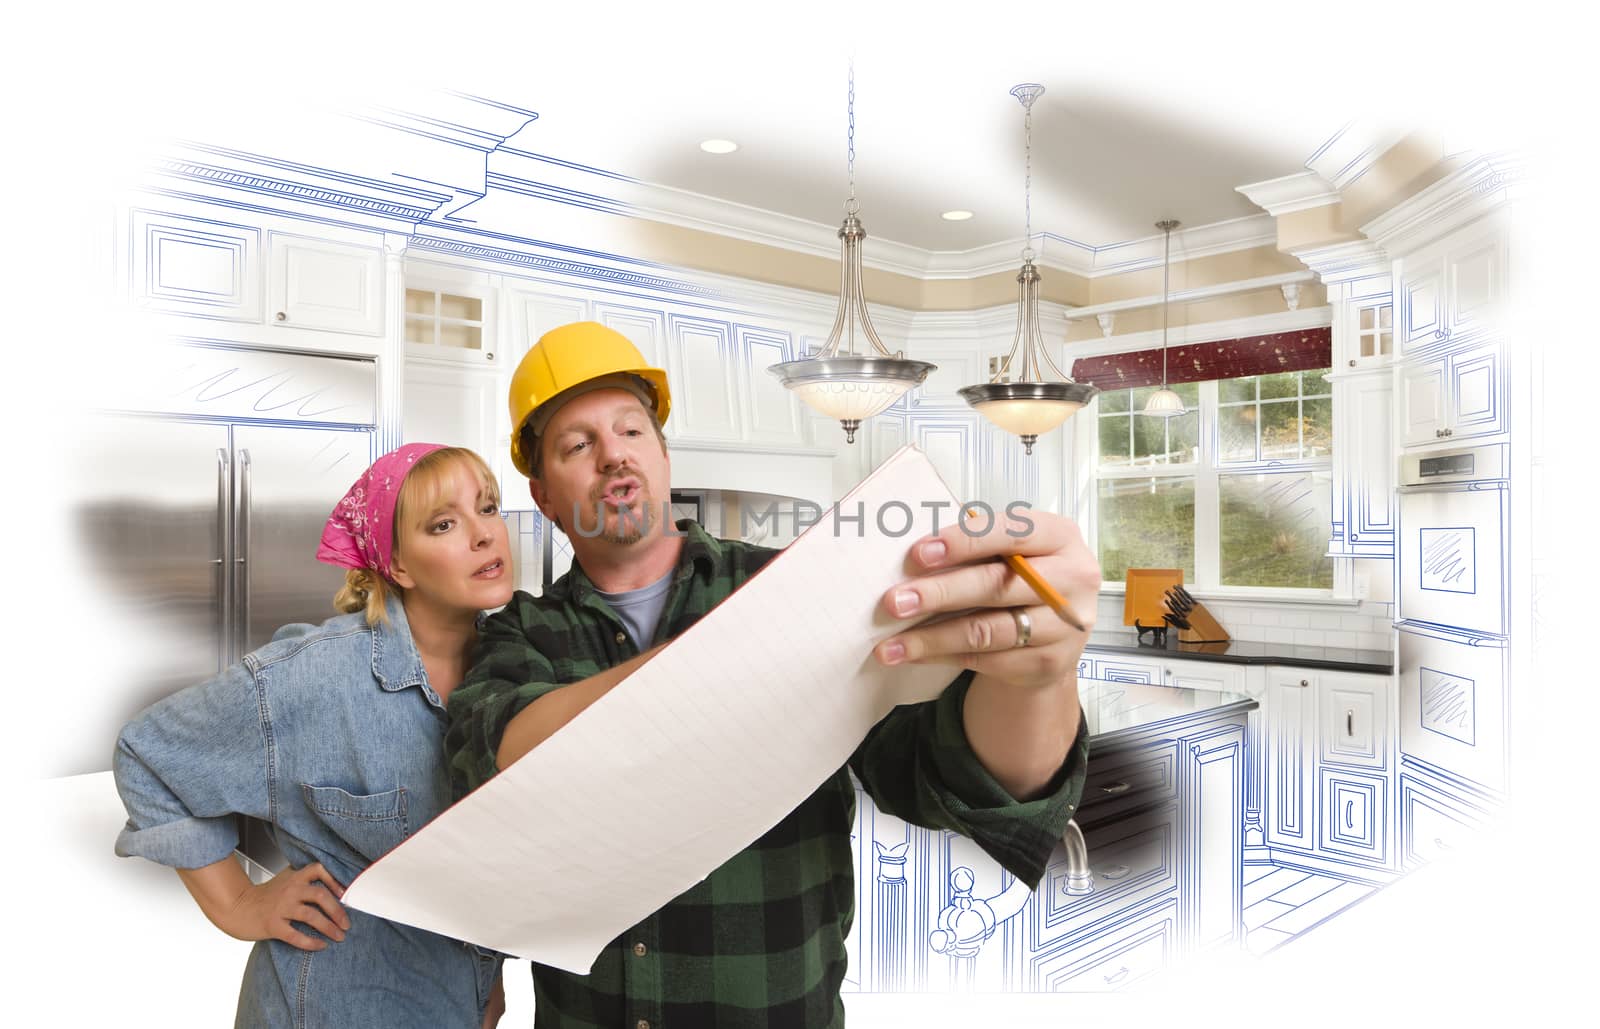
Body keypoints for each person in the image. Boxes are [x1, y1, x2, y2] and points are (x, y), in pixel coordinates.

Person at [446, 322, 1098, 1028]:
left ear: (662, 454)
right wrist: (735, 654)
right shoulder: (519, 632)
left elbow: (946, 769)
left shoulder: (796, 584)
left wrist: (1039, 677)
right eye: (578, 445)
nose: (612, 456)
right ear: (543, 497)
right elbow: (495, 759)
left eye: (631, 430)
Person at [114, 444, 516, 1028]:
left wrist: (487, 976)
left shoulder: (513, 671)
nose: (484, 536)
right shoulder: (318, 675)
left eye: (489, 508)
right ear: (397, 565)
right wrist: (238, 901)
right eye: (445, 524)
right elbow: (146, 754)